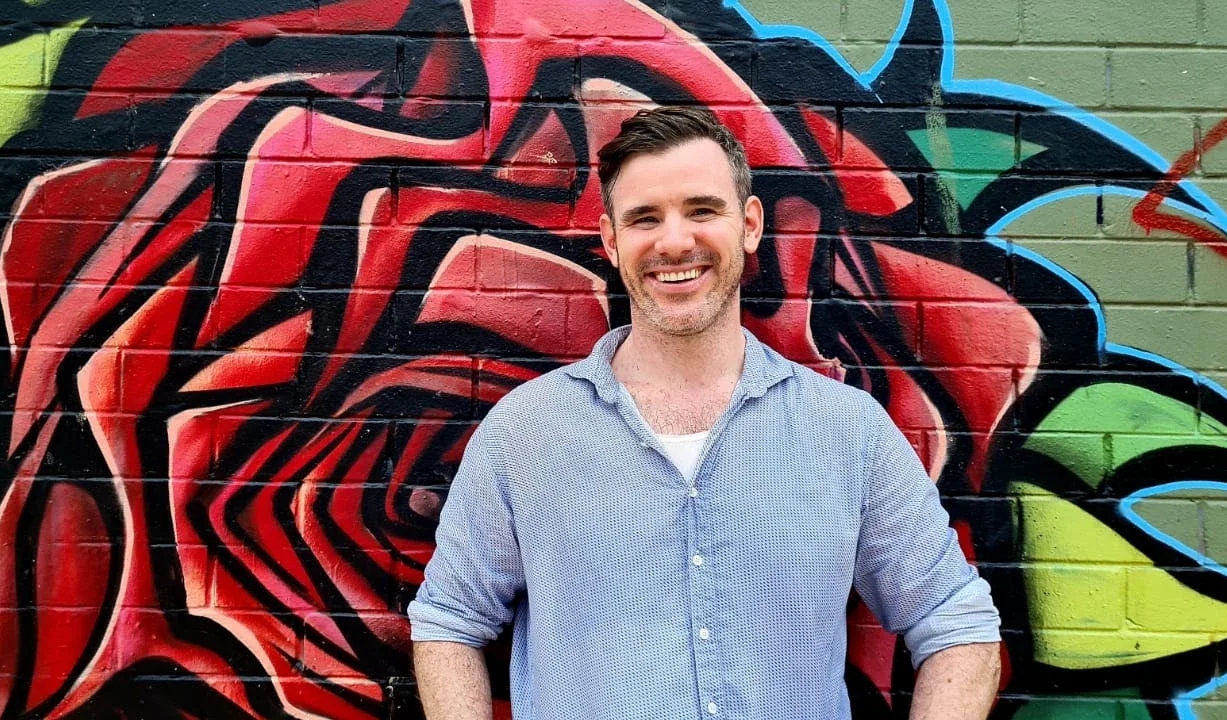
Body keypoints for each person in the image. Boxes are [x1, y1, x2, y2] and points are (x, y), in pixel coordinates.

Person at [408, 106, 1001, 719]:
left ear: (749, 225)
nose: (674, 242)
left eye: (701, 210)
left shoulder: (847, 432)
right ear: (611, 241)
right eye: (645, 218)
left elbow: (955, 622)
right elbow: (450, 622)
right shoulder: (525, 435)